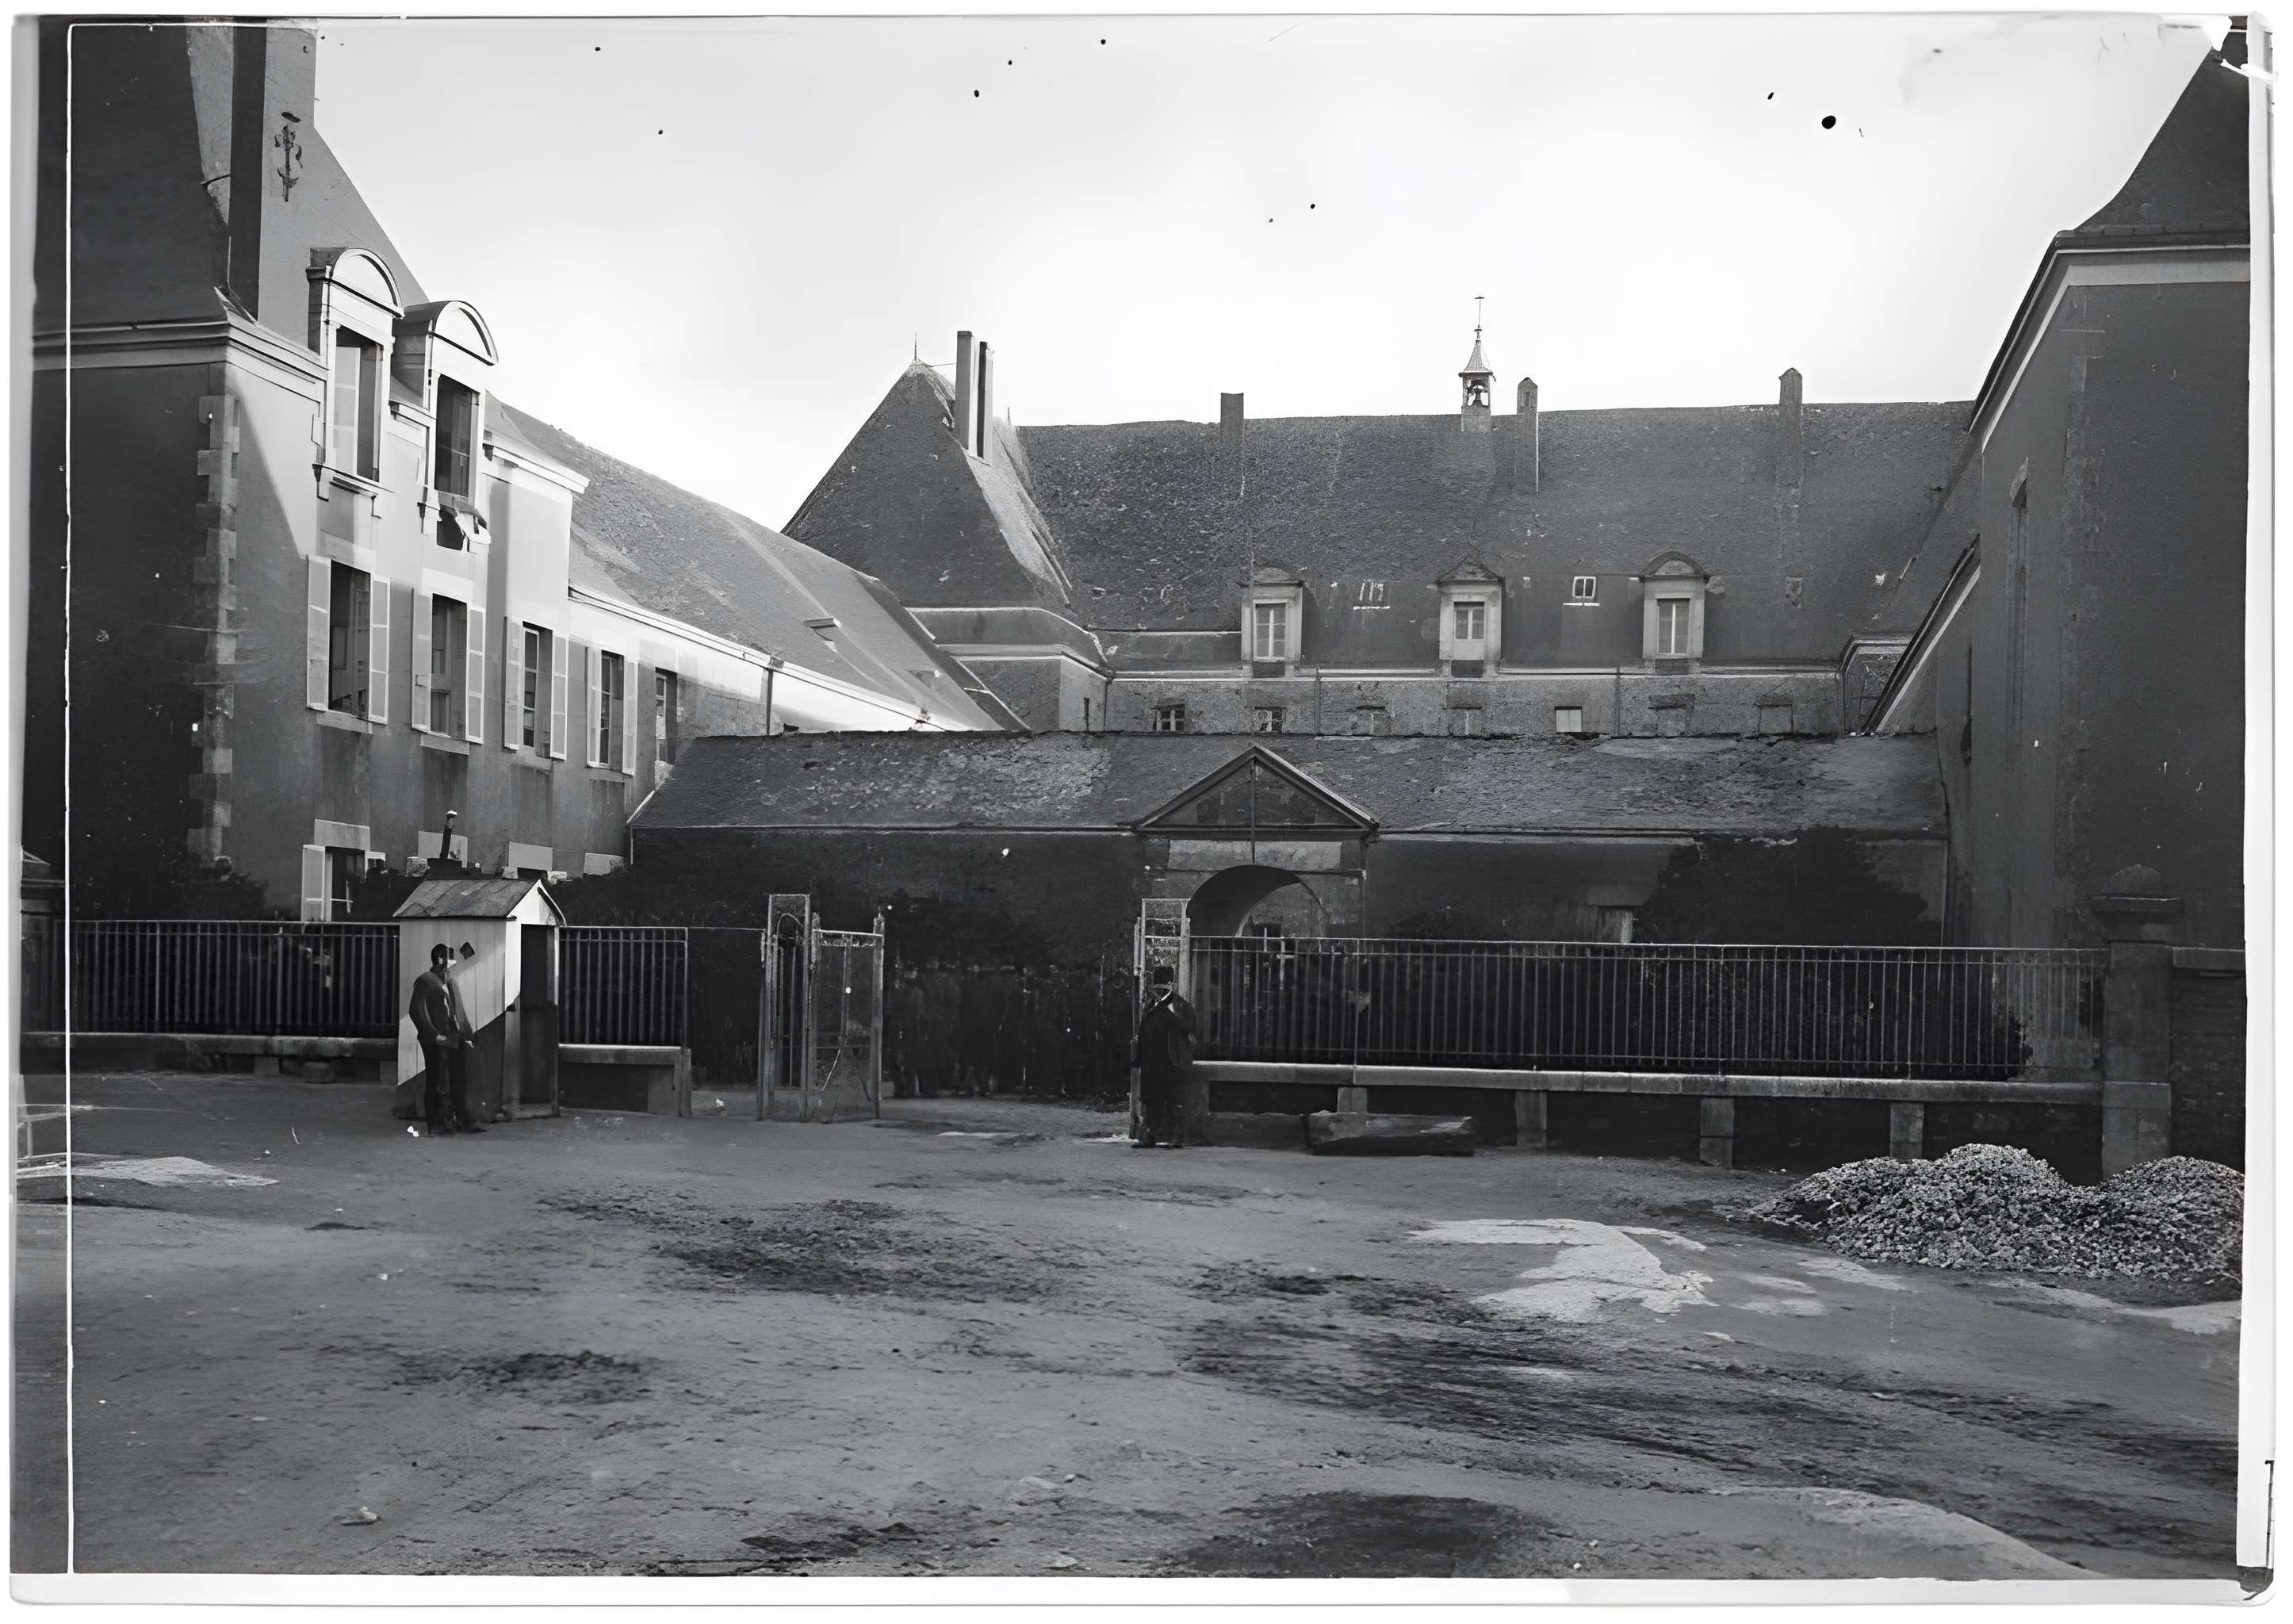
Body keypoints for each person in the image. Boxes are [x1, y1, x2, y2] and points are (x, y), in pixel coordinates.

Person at [409, 943, 482, 1136]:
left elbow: (459, 1011)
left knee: (458, 1079)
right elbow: (416, 1011)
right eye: (450, 960)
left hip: (453, 1037)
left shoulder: (451, 982)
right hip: (434, 1039)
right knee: (435, 1078)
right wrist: (433, 1035)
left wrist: (468, 1034)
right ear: (442, 960)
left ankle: (461, 1118)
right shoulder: (425, 981)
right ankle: (436, 1122)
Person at [1131, 965, 1195, 1148]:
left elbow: (1188, 1032)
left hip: (1170, 1062)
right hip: (1152, 1062)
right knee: (1152, 1100)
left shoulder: (1179, 1006)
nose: (1157, 991)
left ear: (1169, 986)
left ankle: (1176, 1136)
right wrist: (1139, 1057)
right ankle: (1149, 1135)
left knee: (1173, 1099)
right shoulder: (1152, 1006)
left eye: (1161, 988)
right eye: (1156, 988)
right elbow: (1143, 1033)